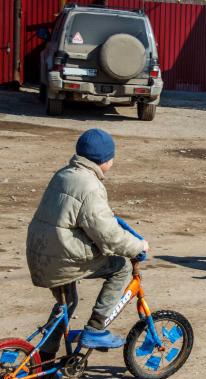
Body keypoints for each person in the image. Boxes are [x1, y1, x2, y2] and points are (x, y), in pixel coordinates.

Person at [26, 128, 149, 365]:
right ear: (104, 160)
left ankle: (44, 358)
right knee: (121, 267)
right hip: (61, 258)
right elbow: (109, 236)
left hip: (42, 252)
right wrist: (138, 247)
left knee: (66, 304)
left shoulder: (65, 174)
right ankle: (96, 327)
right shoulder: (90, 186)